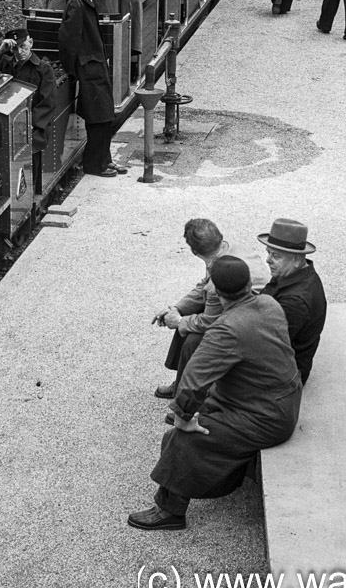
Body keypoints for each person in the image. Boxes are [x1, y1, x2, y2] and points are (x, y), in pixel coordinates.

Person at [129, 256, 301, 531]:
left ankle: (170, 511)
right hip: (281, 399)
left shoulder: (227, 329)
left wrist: (184, 417)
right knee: (198, 412)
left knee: (182, 438)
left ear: (217, 293)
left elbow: (194, 380)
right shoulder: (269, 304)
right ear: (248, 285)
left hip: (266, 416)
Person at [153, 218, 232, 398]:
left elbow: (208, 321)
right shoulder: (222, 250)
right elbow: (203, 287)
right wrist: (177, 309)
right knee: (187, 319)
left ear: (194, 251)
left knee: (192, 338)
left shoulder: (218, 274)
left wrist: (180, 321)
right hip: (232, 310)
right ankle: (181, 383)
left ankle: (184, 400)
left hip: (239, 322)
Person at [0, 27, 62, 191]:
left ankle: (31, 194)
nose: (20, 52)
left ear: (31, 43)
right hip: (4, 125)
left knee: (29, 155)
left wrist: (26, 124)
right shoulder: (4, 63)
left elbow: (47, 103)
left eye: (24, 46)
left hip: (32, 128)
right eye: (15, 48)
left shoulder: (43, 70)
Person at [57, 0, 122, 177]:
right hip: (89, 71)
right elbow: (68, 41)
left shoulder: (84, 1)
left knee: (104, 117)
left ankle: (104, 159)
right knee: (99, 118)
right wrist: (75, 70)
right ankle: (94, 165)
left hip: (94, 68)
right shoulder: (77, 5)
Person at [257, 219, 327, 384]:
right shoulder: (294, 273)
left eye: (276, 256)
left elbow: (268, 345)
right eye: (268, 252)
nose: (268, 260)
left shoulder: (295, 301)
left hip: (283, 375)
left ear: (296, 260)